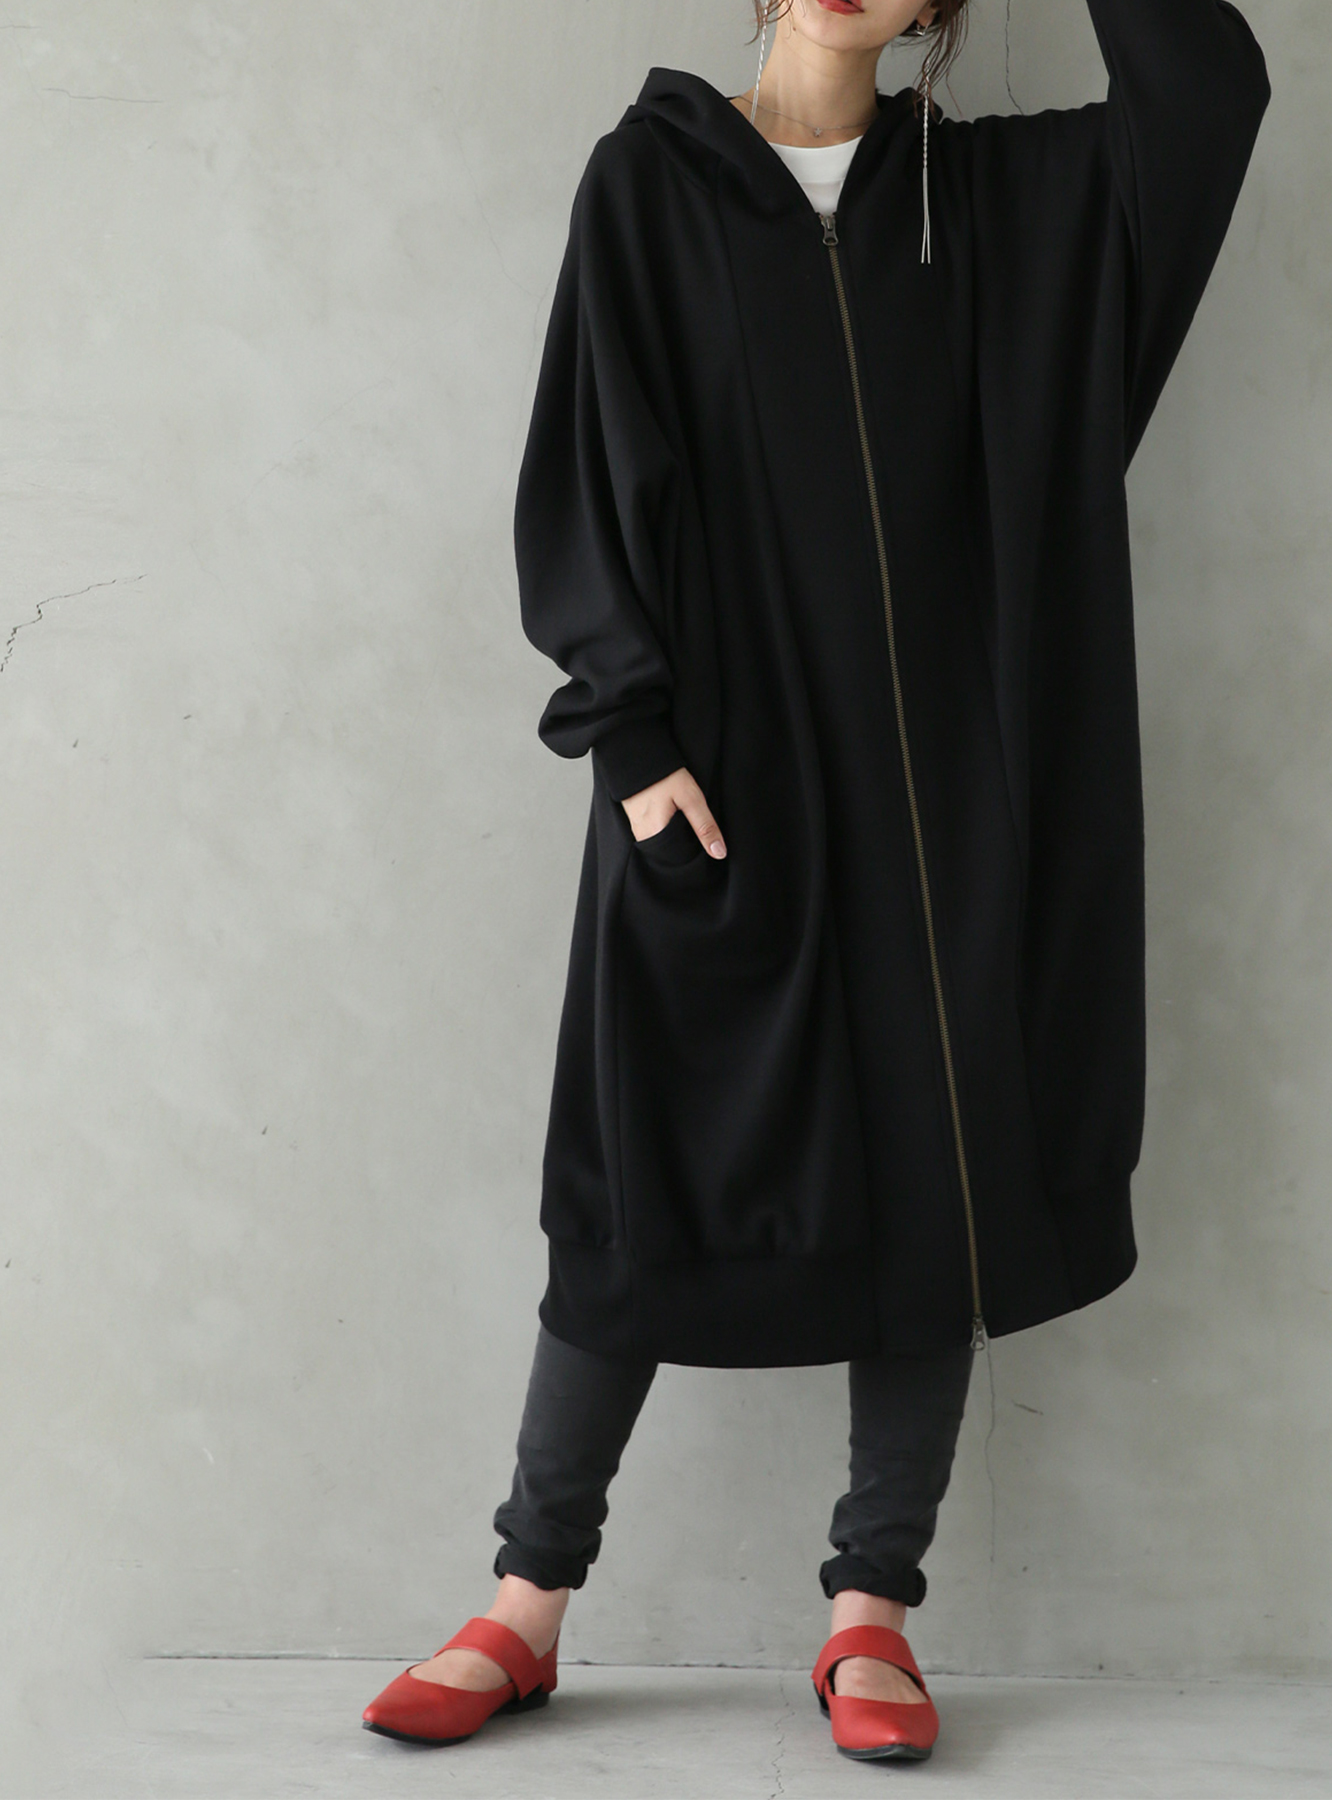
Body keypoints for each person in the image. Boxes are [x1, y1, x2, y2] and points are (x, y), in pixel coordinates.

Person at [363, 0, 1270, 1765]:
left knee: (938, 1181)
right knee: (634, 1193)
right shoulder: (650, 184)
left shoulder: (1003, 204)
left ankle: (873, 1610)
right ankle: (526, 1600)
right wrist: (631, 741)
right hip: (721, 792)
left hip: (959, 806)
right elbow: (587, 458)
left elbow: (1209, 86)